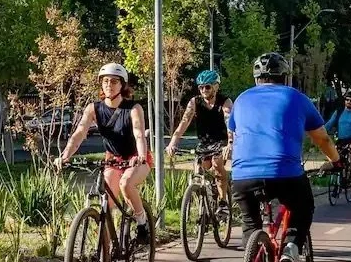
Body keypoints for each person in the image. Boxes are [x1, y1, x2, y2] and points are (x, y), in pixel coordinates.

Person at [227, 52, 341, 262]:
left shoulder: (241, 99)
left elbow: (235, 132)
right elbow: (322, 139)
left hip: (242, 176)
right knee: (304, 206)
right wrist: (336, 161)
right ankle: (291, 248)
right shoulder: (296, 98)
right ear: (284, 76)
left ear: (256, 77)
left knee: (250, 224)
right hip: (285, 173)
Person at [56, 62, 153, 244]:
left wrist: (140, 156)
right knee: (105, 205)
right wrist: (66, 155)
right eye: (105, 81)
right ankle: (105, 254)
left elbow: (139, 133)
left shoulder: (133, 108)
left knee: (126, 184)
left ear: (122, 85)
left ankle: (142, 221)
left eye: (114, 81)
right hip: (113, 160)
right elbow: (79, 134)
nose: (109, 84)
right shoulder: (94, 108)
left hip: (136, 159)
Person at [164, 69, 232, 209]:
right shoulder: (195, 102)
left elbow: (229, 123)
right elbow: (184, 123)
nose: (204, 90)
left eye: (207, 86)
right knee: (199, 171)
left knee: (217, 165)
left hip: (221, 141)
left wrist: (230, 143)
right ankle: (203, 206)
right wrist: (173, 142)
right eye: (201, 87)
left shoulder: (224, 102)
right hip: (204, 143)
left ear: (216, 86)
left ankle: (223, 202)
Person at [325, 91, 351, 185]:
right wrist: (321, 132)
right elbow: (329, 123)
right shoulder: (339, 112)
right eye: (347, 100)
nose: (348, 102)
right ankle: (339, 173)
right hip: (341, 140)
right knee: (334, 153)